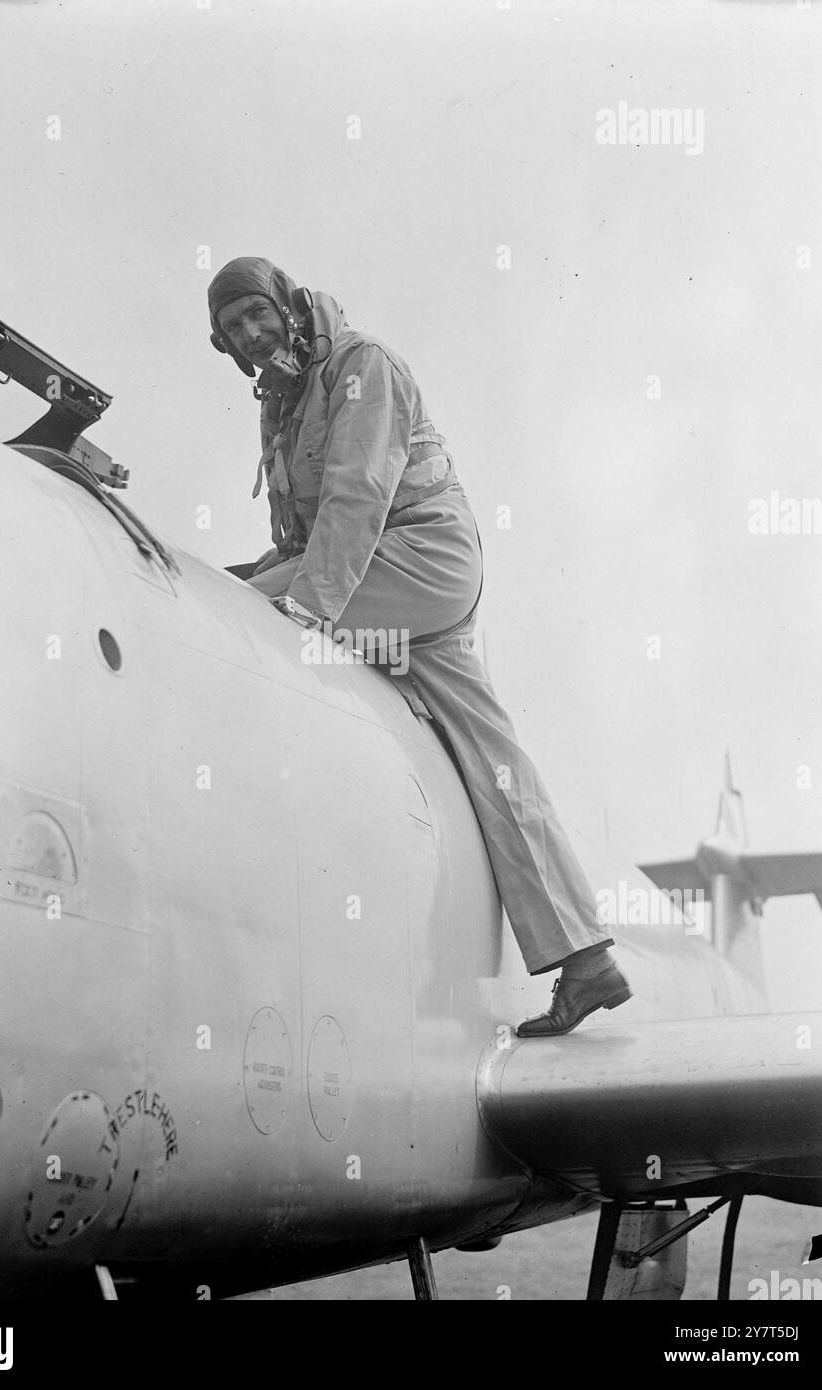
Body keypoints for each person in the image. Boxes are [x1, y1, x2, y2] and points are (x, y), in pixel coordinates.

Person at [207, 256, 631, 1036]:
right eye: (234, 329)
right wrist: (271, 571)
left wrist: (298, 604)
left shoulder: (361, 366)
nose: (251, 333)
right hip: (382, 576)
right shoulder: (286, 397)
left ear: (287, 306)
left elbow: (358, 491)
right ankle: (585, 961)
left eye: (256, 314)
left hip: (416, 558)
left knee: (220, 610)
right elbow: (302, 532)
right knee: (490, 758)